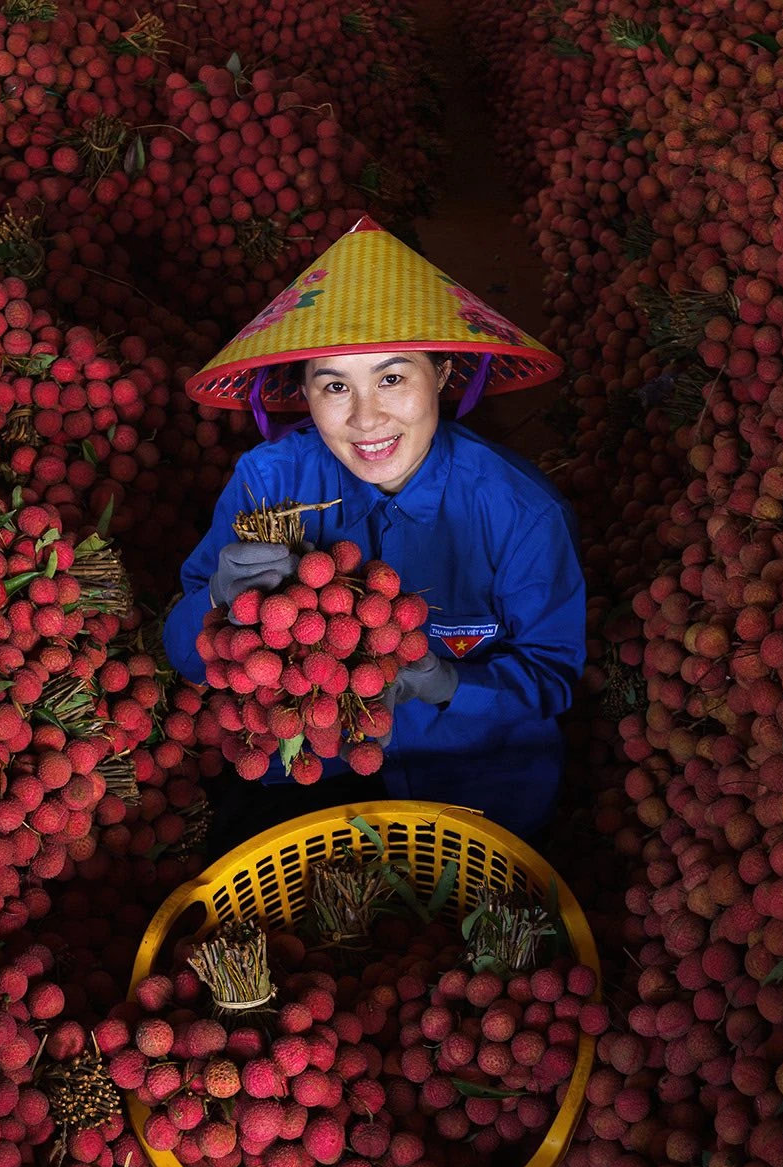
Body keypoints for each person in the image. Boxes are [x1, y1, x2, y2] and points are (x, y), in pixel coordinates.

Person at [163, 217, 586, 851]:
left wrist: (448, 685)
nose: (366, 418)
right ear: (302, 393)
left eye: (392, 378)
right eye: (334, 385)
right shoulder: (268, 486)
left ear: (442, 374)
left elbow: (552, 677)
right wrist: (218, 601)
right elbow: (185, 651)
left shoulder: (520, 513)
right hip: (309, 784)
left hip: (475, 786)